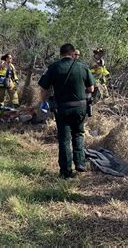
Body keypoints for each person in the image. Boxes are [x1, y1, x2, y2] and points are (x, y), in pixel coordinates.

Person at [38, 43, 96, 179]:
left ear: (61, 54)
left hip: (62, 108)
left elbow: (43, 89)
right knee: (79, 134)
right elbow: (91, 89)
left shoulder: (54, 67)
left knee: (64, 139)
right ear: (72, 53)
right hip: (80, 108)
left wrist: (43, 101)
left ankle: (66, 172)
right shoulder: (82, 66)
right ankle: (80, 163)